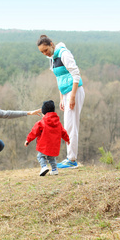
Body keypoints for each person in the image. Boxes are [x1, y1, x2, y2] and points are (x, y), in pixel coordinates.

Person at [36, 35, 85, 169]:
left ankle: (72, 159)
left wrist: (72, 96)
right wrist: (62, 98)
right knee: (67, 125)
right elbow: (59, 79)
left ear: (51, 44)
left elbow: (76, 74)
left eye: (46, 50)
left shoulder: (64, 54)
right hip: (66, 93)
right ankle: (70, 157)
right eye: (42, 52)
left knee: (71, 126)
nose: (45, 53)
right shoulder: (51, 58)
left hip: (74, 91)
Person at [25, 100, 69, 176]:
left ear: (44, 112)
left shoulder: (41, 122)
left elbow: (34, 132)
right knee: (52, 158)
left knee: (40, 156)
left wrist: (28, 140)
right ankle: (54, 169)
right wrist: (67, 139)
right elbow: (63, 132)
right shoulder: (58, 123)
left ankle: (44, 167)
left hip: (43, 145)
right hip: (54, 146)